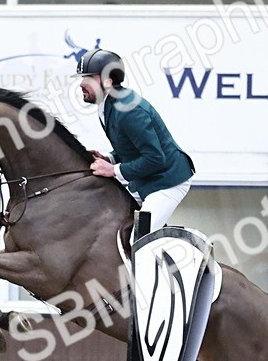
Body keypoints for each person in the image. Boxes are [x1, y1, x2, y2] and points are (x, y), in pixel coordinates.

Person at [75, 48, 194, 232]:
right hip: (147, 179)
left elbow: (155, 158)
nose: (82, 84)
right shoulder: (107, 105)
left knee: (139, 237)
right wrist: (110, 159)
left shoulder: (129, 110)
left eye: (89, 78)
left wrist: (113, 170)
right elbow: (131, 147)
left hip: (167, 181)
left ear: (108, 81)